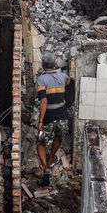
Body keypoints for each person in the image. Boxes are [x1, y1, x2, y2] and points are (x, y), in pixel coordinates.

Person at [35, 53, 71, 186]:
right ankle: (51, 158)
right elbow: (68, 82)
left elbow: (43, 102)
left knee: (41, 142)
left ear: (43, 65)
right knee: (59, 137)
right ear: (55, 64)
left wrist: (40, 121)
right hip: (62, 114)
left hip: (49, 115)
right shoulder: (63, 76)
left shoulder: (41, 80)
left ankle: (45, 168)